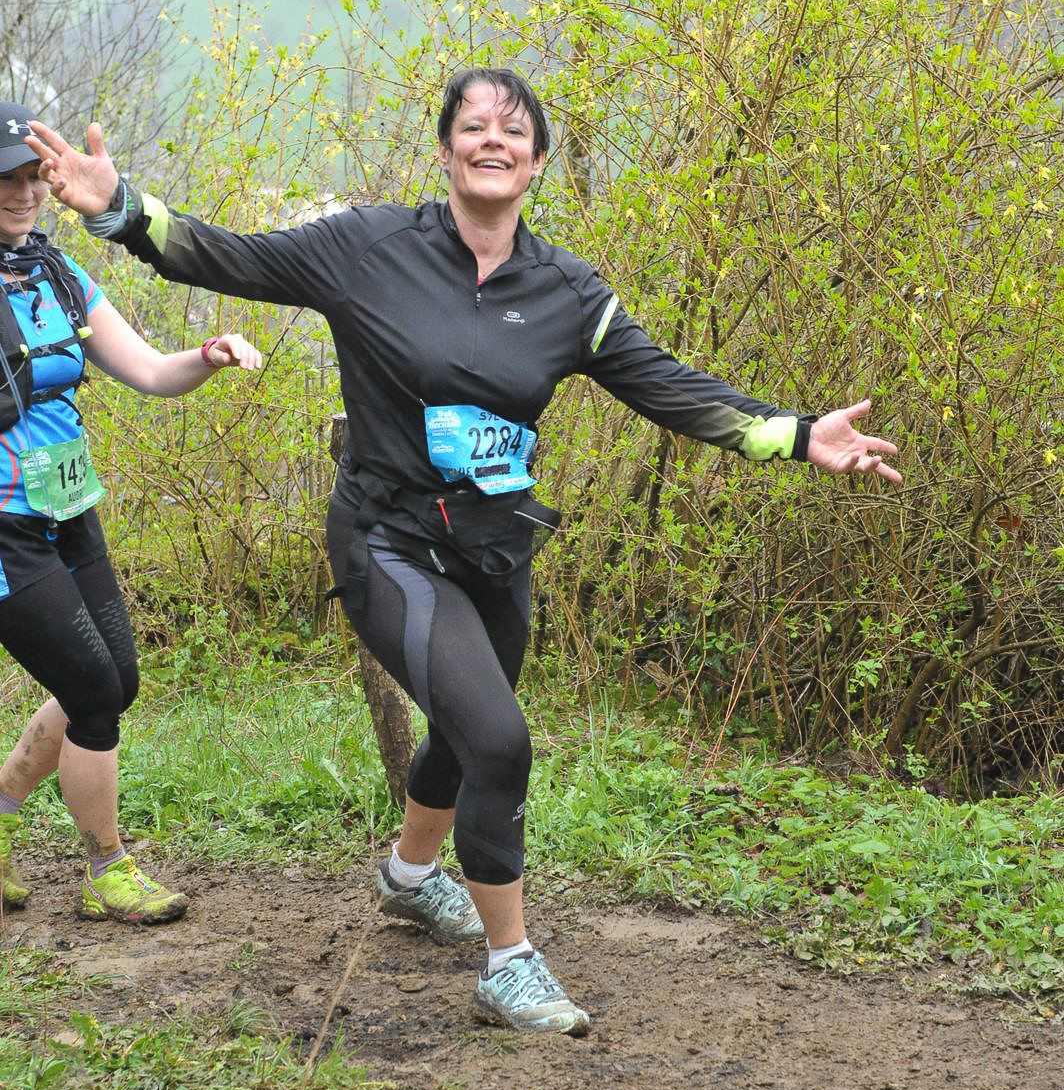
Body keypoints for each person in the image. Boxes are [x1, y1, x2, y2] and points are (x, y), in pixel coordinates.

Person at [27, 68, 900, 1027]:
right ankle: (509, 963)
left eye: (514, 131)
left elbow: (672, 389)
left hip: (495, 550)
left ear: (538, 161)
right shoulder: (369, 249)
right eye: (473, 126)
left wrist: (798, 434)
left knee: (462, 727)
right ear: (445, 150)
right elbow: (226, 257)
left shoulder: (568, 292)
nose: (493, 141)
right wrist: (121, 208)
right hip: (386, 542)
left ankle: (408, 877)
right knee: (498, 739)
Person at [0, 103, 262, 925]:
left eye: (31, 175)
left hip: (68, 509)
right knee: (92, 690)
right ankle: (106, 869)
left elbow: (147, 369)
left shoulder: (57, 276)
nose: (22, 192)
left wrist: (209, 355)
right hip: (4, 528)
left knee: (119, 681)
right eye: (4, 178)